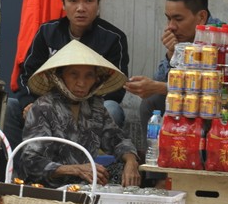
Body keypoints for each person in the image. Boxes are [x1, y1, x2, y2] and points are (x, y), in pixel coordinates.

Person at [4, 0, 129, 148]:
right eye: (73, 1)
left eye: (88, 0)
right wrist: (28, 103)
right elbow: (26, 74)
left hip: (89, 110)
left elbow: (116, 88)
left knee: (112, 109)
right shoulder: (47, 32)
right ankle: (18, 170)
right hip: (48, 107)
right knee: (10, 107)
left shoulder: (113, 38)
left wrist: (80, 106)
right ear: (63, 3)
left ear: (98, 4)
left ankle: (89, 168)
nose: (81, 8)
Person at [14, 40, 141, 188]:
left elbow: (118, 140)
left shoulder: (95, 106)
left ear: (96, 79)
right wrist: (75, 170)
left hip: (85, 189)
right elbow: (30, 163)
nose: (82, 83)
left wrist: (131, 162)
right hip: (48, 190)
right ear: (60, 76)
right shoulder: (42, 108)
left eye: (89, 76)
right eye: (74, 75)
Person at [124, 0, 216, 128]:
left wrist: (159, 87)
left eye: (178, 19)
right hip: (189, 105)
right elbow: (157, 83)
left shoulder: (220, 39)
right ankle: (156, 149)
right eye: (168, 18)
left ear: (201, 17)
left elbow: (208, 90)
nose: (170, 26)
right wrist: (172, 53)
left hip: (219, 107)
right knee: (151, 102)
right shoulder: (182, 37)